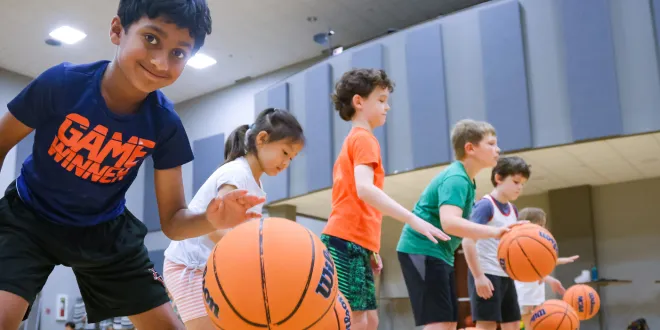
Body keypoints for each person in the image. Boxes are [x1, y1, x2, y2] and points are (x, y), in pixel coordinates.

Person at [0, 1, 265, 329]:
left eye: (178, 53)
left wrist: (210, 219)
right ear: (116, 31)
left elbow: (172, 222)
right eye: (151, 39)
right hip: (28, 217)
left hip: (107, 234)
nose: (160, 61)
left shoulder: (165, 125)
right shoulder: (61, 84)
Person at [321, 68, 450, 330]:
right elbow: (365, 190)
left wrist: (371, 248)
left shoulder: (357, 139)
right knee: (355, 319)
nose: (387, 107)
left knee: (369, 320)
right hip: (346, 240)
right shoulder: (364, 139)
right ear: (359, 102)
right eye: (380, 100)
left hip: (356, 243)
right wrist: (412, 219)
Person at [163, 108, 305, 329]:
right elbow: (214, 229)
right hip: (189, 266)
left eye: (292, 158)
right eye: (285, 152)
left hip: (208, 268)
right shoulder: (237, 174)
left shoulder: (256, 185)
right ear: (262, 139)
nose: (287, 162)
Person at [396, 119, 519, 330]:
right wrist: (495, 232)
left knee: (450, 323)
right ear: (470, 148)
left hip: (439, 253)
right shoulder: (456, 178)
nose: (497, 149)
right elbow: (450, 222)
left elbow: (463, 227)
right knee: (440, 323)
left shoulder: (468, 180)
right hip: (421, 249)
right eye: (491, 144)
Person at [462, 156, 531, 330]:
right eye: (515, 182)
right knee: (487, 326)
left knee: (514, 324)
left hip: (506, 274)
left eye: (522, 184)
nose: (519, 188)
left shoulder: (513, 210)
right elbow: (468, 241)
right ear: (498, 178)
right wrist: (478, 277)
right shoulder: (486, 206)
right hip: (487, 274)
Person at [513, 207, 578, 330]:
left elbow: (536, 268)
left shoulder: (535, 242)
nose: (543, 228)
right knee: (528, 325)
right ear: (528, 223)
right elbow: (532, 265)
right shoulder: (520, 242)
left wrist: (550, 279)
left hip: (534, 291)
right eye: (540, 224)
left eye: (544, 224)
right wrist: (557, 261)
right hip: (525, 292)